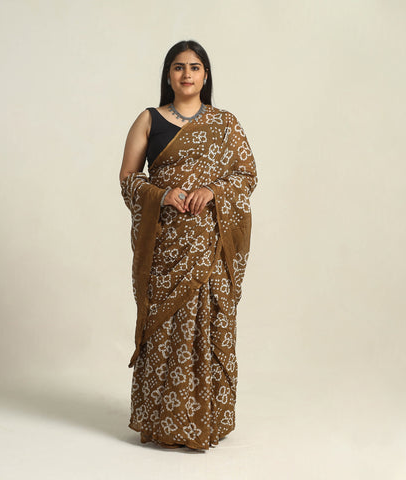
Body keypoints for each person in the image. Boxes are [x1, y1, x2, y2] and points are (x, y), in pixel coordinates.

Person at [119, 40, 257, 451]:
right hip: (167, 245)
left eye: (195, 67)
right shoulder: (148, 119)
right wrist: (162, 195)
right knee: (165, 327)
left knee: (209, 324)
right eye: (178, 67)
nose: (186, 74)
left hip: (212, 246)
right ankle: (162, 421)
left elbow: (246, 176)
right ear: (168, 75)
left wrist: (213, 190)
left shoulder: (225, 124)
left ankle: (205, 421)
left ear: (205, 75)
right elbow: (128, 178)